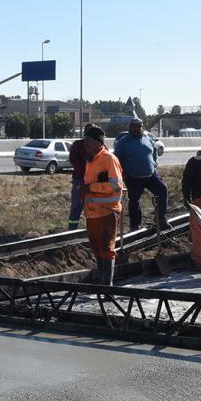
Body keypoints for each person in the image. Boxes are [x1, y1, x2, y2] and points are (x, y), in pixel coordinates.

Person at [78, 125, 124, 286]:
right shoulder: (90, 161)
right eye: (85, 141)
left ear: (99, 142)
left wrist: (90, 188)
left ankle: (107, 284)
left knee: (106, 248)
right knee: (97, 248)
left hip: (107, 212)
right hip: (93, 213)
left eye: (88, 140)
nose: (86, 144)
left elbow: (116, 185)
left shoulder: (108, 159)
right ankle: (102, 280)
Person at [114, 118, 170, 232]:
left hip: (150, 175)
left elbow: (153, 152)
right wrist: (124, 175)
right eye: (134, 126)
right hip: (133, 177)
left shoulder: (147, 138)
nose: (136, 128)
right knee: (134, 200)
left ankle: (160, 219)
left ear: (142, 127)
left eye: (139, 126)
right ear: (130, 127)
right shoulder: (123, 142)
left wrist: (154, 164)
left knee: (162, 189)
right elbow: (116, 160)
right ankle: (135, 226)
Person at [67, 132, 89, 230]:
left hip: (93, 181)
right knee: (76, 205)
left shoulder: (99, 146)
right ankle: (72, 230)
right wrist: (86, 167)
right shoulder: (77, 145)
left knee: (92, 207)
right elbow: (73, 160)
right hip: (79, 179)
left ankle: (91, 230)